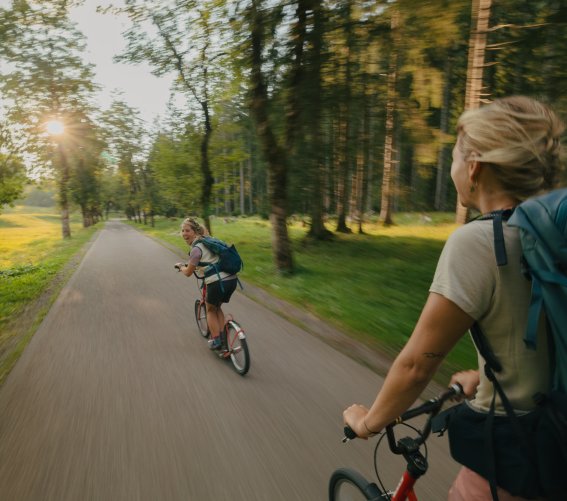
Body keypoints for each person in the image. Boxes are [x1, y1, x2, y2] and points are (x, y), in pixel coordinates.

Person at [343, 96, 564, 501]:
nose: (453, 169)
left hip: (513, 462)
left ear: (475, 166)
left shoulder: (479, 242)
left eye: (455, 158)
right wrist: (487, 376)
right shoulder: (553, 237)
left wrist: (368, 422)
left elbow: (416, 366)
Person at [175, 217, 238, 351]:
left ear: (195, 232)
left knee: (210, 310)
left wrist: (181, 267)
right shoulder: (209, 242)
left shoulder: (196, 249)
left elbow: (188, 272)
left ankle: (217, 341)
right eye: (182, 231)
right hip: (231, 279)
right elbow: (209, 261)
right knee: (217, 307)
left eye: (187, 230)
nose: (184, 234)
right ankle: (223, 339)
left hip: (218, 282)